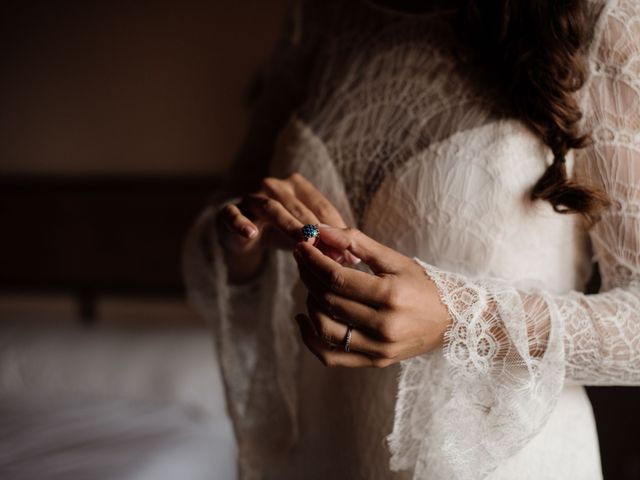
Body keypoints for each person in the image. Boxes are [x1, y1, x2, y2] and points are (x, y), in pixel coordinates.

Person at [184, 1, 640, 478]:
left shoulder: (602, 21)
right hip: (321, 460)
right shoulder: (316, 21)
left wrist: (460, 317)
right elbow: (207, 255)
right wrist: (243, 245)